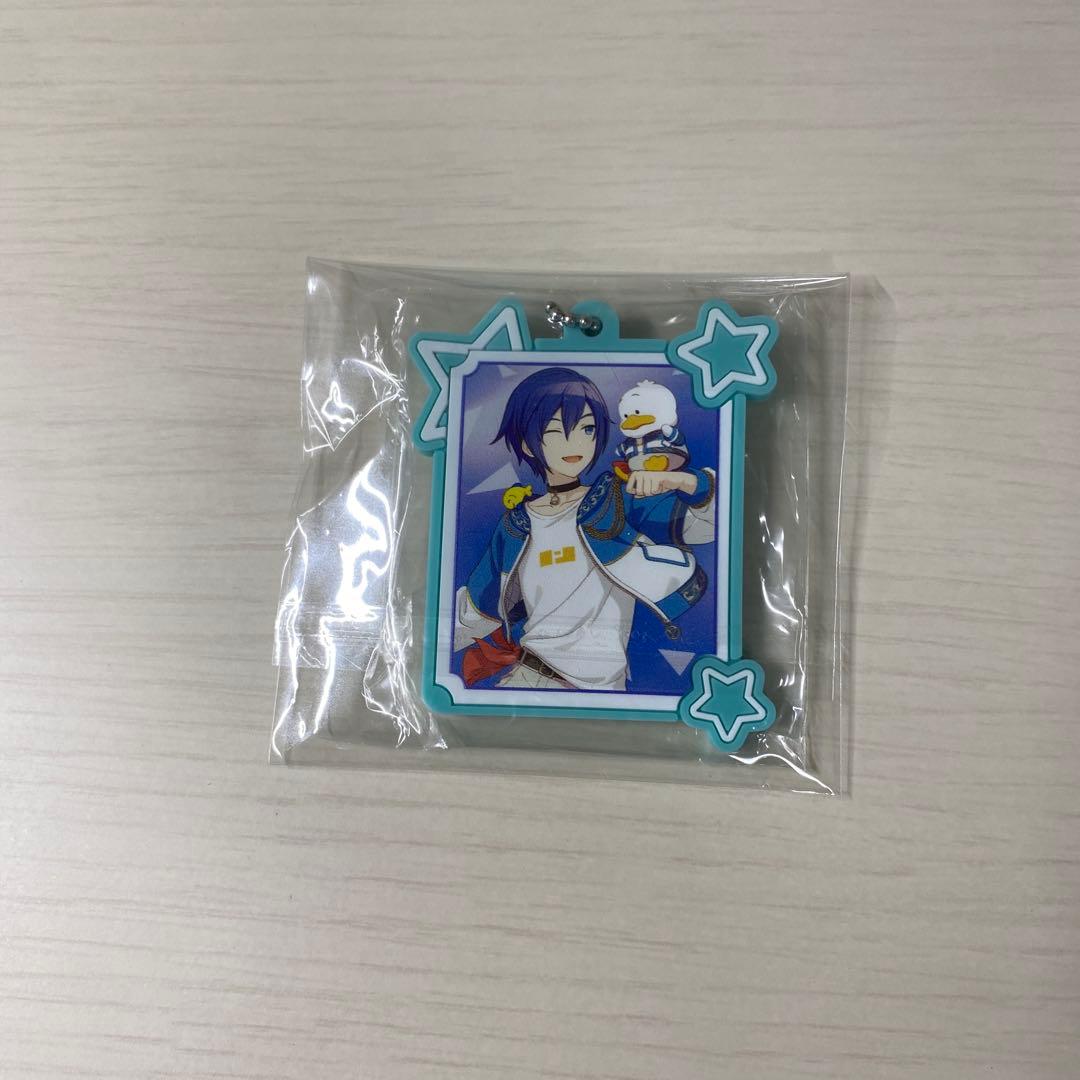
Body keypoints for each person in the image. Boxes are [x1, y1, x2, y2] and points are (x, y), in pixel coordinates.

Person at [454, 367, 716, 692]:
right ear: (527, 445)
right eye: (555, 431)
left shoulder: (615, 501)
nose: (575, 442)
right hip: (533, 680)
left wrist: (681, 480)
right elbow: (476, 609)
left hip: (605, 692)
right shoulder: (516, 525)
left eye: (587, 428)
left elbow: (706, 527)